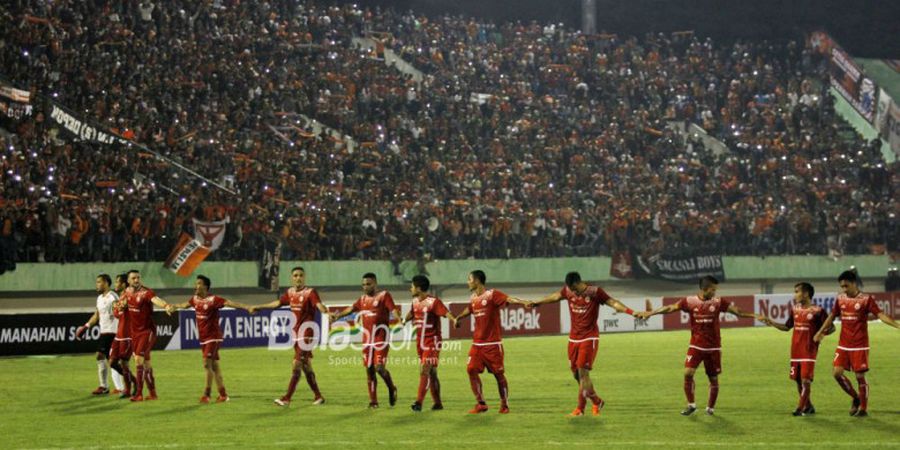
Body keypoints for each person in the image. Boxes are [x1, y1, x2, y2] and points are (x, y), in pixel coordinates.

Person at [638, 276, 761, 415]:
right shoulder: (690, 301)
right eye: (713, 290)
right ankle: (691, 405)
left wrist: (755, 315)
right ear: (705, 289)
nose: (715, 293)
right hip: (696, 345)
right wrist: (651, 313)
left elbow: (738, 311)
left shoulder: (719, 302)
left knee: (713, 378)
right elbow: (670, 308)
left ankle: (710, 408)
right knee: (688, 373)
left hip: (713, 347)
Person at [528, 271, 640, 417]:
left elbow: (613, 302)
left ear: (578, 282)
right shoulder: (569, 290)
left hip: (589, 337)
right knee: (576, 375)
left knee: (583, 373)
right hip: (573, 338)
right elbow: (556, 296)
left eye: (574, 288)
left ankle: (580, 408)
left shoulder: (595, 292)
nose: (573, 292)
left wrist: (631, 312)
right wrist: (538, 302)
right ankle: (596, 400)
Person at [813, 270, 900, 417]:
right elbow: (831, 317)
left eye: (846, 286)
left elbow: (881, 315)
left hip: (860, 345)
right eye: (842, 287)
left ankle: (863, 409)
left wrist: (897, 325)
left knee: (860, 376)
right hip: (843, 344)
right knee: (837, 373)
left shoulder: (866, 299)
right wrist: (820, 332)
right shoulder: (840, 299)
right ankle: (856, 397)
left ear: (854, 283)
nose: (844, 289)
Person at [250, 267, 331, 407]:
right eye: (295, 275)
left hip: (307, 334)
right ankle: (318, 396)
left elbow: (319, 305)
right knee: (306, 366)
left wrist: (326, 312)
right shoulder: (290, 292)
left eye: (300, 275)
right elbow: (278, 303)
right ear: (292, 278)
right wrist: (260, 306)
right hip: (296, 334)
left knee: (296, 364)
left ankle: (287, 398)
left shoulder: (310, 292)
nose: (298, 278)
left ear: (304, 277)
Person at [453, 269, 531, 414]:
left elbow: (508, 299)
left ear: (477, 281)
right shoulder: (473, 297)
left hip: (492, 345)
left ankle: (504, 404)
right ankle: (481, 403)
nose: (467, 282)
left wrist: (523, 302)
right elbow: (469, 309)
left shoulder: (492, 294)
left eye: (469, 279)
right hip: (477, 344)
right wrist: (458, 317)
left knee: (498, 375)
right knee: (471, 369)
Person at [172, 275, 251, 403]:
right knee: (215, 367)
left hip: (213, 337)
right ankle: (223, 395)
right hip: (203, 338)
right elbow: (184, 304)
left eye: (198, 283)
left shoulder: (213, 299)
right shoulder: (195, 299)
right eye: (196, 283)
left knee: (206, 364)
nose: (195, 286)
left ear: (205, 287)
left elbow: (230, 303)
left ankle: (206, 395)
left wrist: (247, 307)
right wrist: (173, 307)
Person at [760, 282, 833, 416]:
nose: (795, 294)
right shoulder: (795, 309)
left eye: (797, 291)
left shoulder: (818, 311)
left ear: (806, 293)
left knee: (806, 380)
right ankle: (809, 406)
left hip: (809, 351)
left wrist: (821, 334)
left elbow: (832, 328)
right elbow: (787, 327)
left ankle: (800, 408)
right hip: (795, 351)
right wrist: (771, 322)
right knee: (798, 380)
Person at [333, 272, 403, 408]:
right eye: (363, 284)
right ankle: (373, 401)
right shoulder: (362, 299)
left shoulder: (384, 296)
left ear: (375, 284)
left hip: (381, 338)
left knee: (379, 368)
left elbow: (393, 310)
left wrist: (399, 319)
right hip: (367, 340)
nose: (365, 287)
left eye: (368, 284)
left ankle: (391, 387)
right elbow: (352, 308)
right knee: (369, 370)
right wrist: (338, 316)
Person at [121, 270, 175, 401]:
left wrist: (166, 305)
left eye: (138, 277)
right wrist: (120, 306)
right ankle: (153, 394)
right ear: (128, 281)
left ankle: (138, 394)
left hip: (147, 332)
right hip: (135, 333)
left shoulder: (146, 292)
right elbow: (122, 305)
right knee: (146, 364)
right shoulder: (126, 292)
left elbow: (156, 300)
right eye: (133, 278)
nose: (136, 280)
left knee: (138, 359)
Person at [404, 275, 455, 412]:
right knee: (432, 372)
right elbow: (412, 313)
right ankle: (437, 403)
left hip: (432, 341)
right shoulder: (415, 301)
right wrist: (405, 319)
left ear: (419, 288)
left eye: (412, 286)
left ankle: (418, 403)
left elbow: (445, 312)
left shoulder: (433, 302)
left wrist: (454, 320)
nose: (410, 288)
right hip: (420, 342)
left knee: (425, 369)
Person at [75, 274, 125, 395]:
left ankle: (105, 386)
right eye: (96, 282)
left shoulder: (113, 297)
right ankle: (128, 382)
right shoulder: (100, 298)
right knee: (113, 361)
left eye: (99, 282)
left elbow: (120, 312)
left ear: (106, 283)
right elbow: (97, 315)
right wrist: (86, 326)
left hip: (112, 332)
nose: (97, 284)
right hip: (104, 332)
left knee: (100, 356)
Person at [109, 273, 137, 398]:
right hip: (119, 334)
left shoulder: (129, 295)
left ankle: (128, 389)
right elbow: (117, 314)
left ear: (124, 284)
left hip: (128, 334)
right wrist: (116, 306)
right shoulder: (121, 297)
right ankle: (135, 381)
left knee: (124, 362)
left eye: (117, 282)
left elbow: (122, 309)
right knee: (112, 362)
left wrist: (117, 306)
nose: (116, 284)